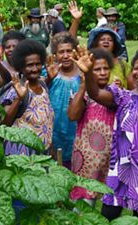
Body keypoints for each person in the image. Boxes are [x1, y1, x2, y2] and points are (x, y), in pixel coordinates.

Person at [73, 48, 138, 222]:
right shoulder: (123, 96)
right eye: (136, 67)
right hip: (117, 168)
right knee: (108, 215)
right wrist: (87, 76)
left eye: (105, 69)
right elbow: (95, 94)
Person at [68, 48, 115, 206]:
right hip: (87, 162)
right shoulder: (84, 94)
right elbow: (73, 115)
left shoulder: (115, 93)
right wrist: (83, 84)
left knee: (109, 207)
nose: (102, 73)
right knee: (84, 206)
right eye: (97, 69)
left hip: (110, 159)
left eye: (105, 68)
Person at [1, 39, 54, 156]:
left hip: (41, 154)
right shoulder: (15, 90)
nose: (35, 69)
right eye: (30, 65)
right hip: (21, 155)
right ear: (21, 67)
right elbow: (4, 124)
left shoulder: (43, 85)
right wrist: (18, 99)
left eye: (38, 64)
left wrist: (51, 78)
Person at [47, 32, 81, 169]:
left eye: (69, 51)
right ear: (55, 54)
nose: (66, 55)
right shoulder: (50, 73)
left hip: (77, 130)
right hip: (55, 130)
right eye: (61, 52)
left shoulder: (82, 73)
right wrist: (49, 78)